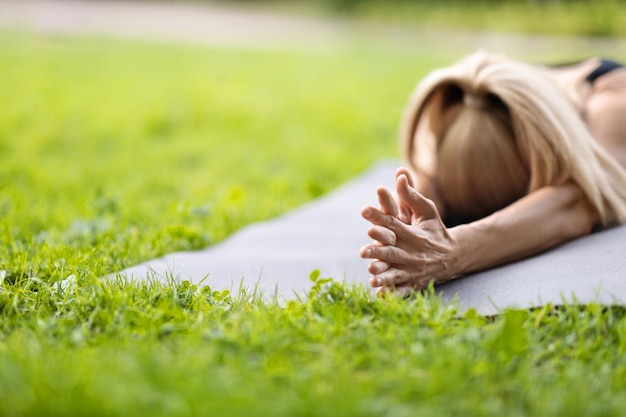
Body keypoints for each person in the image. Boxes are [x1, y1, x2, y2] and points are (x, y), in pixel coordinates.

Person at [359, 51, 626, 297]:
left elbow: (579, 202)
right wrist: (408, 227)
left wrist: (450, 251)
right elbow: (429, 177)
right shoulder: (466, 97)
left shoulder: (612, 101)